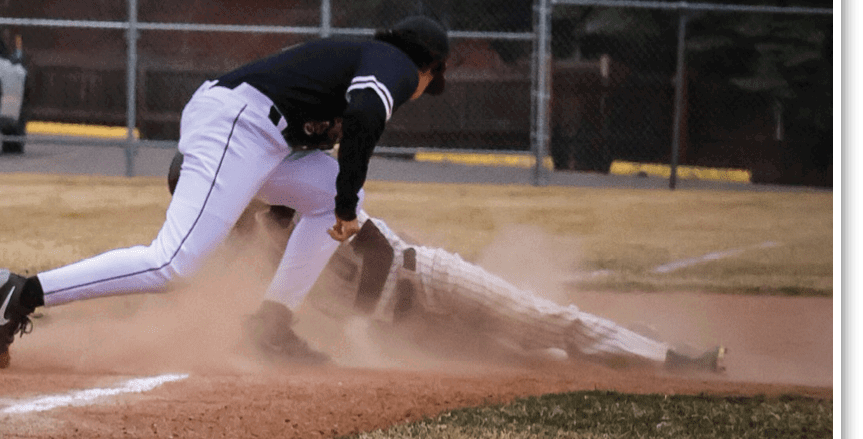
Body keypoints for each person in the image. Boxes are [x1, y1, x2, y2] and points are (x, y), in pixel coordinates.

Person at [0, 16, 451, 368]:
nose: (421, 89)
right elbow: (366, 115)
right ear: (427, 66)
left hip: (262, 138)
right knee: (173, 264)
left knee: (328, 194)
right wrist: (346, 207)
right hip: (240, 127)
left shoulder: (362, 58)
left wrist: (338, 202)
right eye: (430, 82)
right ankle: (21, 292)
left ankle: (271, 327)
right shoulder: (396, 63)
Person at [166, 150, 728, 374]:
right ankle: (635, 341)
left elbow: (372, 248)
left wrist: (357, 321)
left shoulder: (295, 199)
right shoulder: (245, 238)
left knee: (546, 322)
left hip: (428, 278)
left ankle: (676, 360)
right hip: (403, 328)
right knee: (522, 358)